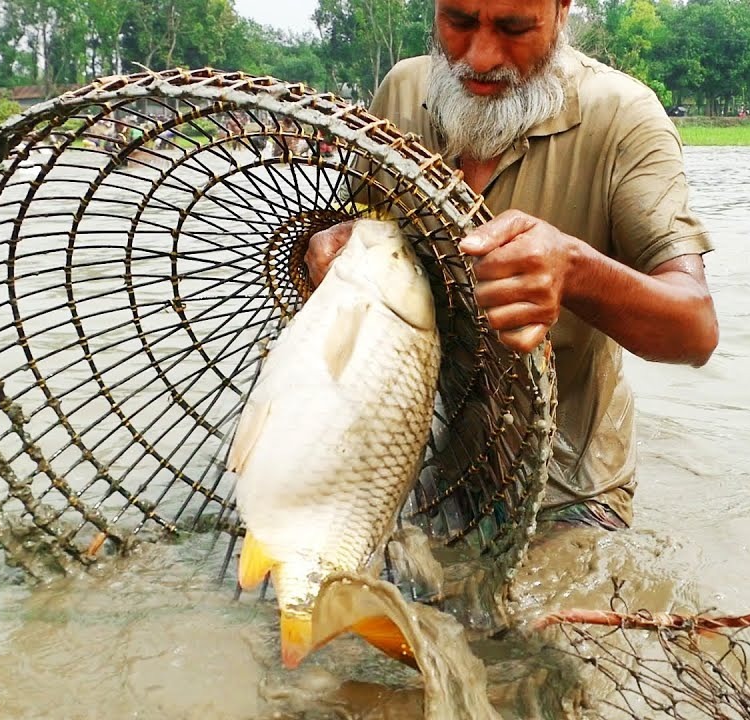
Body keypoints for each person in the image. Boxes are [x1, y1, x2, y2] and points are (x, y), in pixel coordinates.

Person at [305, 0, 718, 532]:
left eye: (514, 27)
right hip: (411, 446)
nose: (479, 56)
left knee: (560, 607)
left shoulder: (624, 117)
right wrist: (322, 252)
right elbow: (351, 232)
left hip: (565, 478)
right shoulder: (403, 93)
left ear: (562, 11)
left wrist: (576, 270)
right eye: (458, 22)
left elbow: (696, 329)